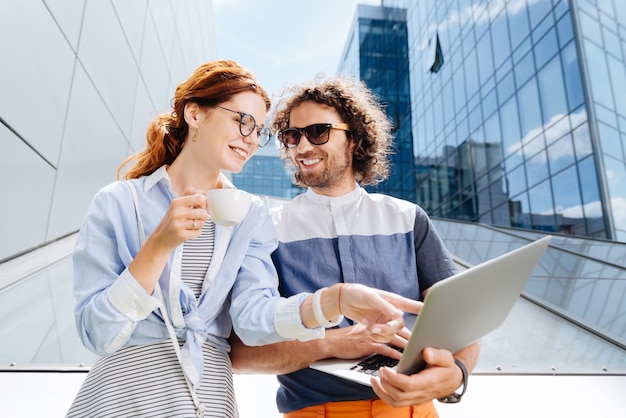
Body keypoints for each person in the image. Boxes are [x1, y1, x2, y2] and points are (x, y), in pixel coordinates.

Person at [66, 61, 423, 418]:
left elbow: (254, 320)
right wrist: (160, 244)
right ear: (194, 114)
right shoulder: (118, 202)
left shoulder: (250, 215)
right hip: (121, 398)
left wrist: (334, 301)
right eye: (243, 121)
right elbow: (96, 332)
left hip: (208, 400)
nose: (251, 140)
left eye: (260, 131)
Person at [229, 75, 480, 418]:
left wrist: (458, 373)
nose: (302, 147)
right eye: (292, 136)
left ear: (354, 138)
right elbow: (241, 354)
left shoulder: (408, 218)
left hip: (412, 411)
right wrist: (331, 344)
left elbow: (462, 321)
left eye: (318, 132)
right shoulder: (267, 230)